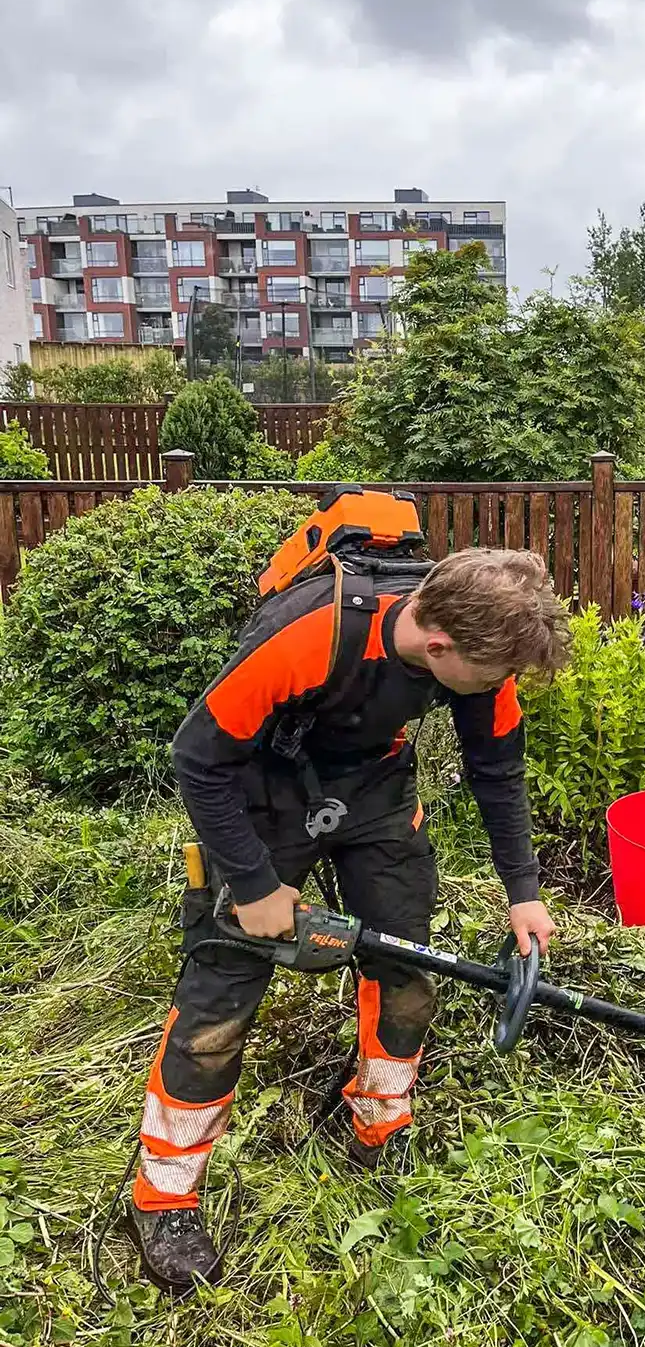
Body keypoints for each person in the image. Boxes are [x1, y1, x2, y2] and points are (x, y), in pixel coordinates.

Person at [128, 547, 571, 1293]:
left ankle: (378, 1118)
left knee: (408, 964)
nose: (503, 687)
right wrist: (254, 883)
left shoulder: (479, 656)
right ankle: (165, 1193)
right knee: (221, 995)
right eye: (495, 677)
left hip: (375, 790)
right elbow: (197, 757)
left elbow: (498, 767)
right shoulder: (313, 633)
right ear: (439, 648)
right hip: (260, 794)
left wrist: (522, 888)